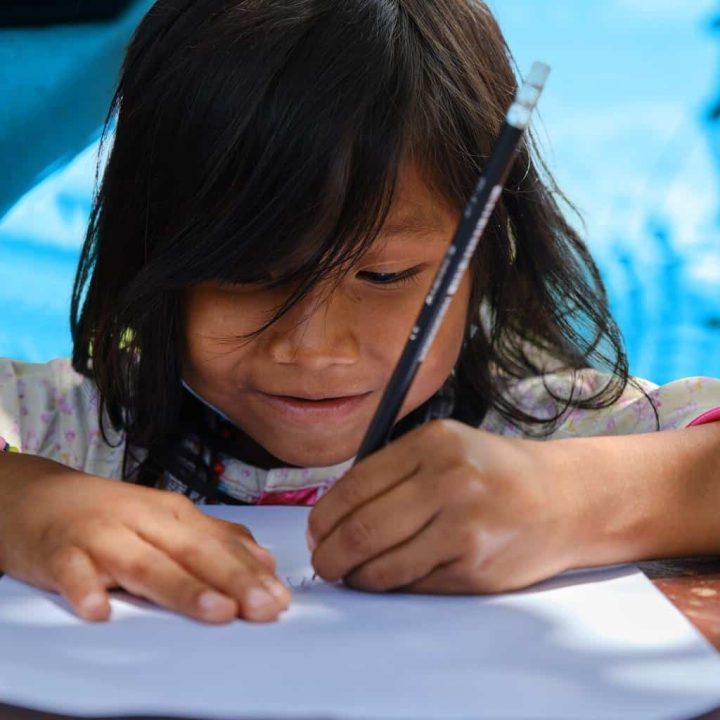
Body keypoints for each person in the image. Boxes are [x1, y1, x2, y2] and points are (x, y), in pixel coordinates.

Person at [1, 0, 719, 626]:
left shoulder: (550, 429)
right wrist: (22, 500)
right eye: (248, 274)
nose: (315, 347)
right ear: (148, 252)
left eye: (384, 274)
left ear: (483, 256)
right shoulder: (69, 430)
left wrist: (575, 497)